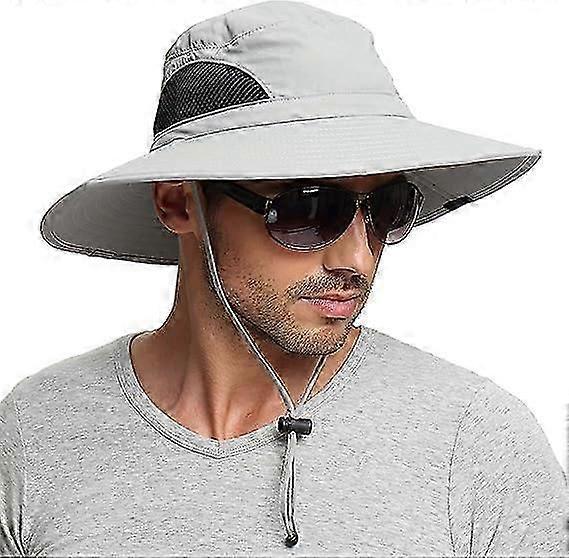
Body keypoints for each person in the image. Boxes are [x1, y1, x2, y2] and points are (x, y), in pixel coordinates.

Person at [2, 1, 568, 555]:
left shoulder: (474, 444)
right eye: (308, 208)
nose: (357, 258)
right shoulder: (37, 436)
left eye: (388, 208)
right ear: (179, 202)